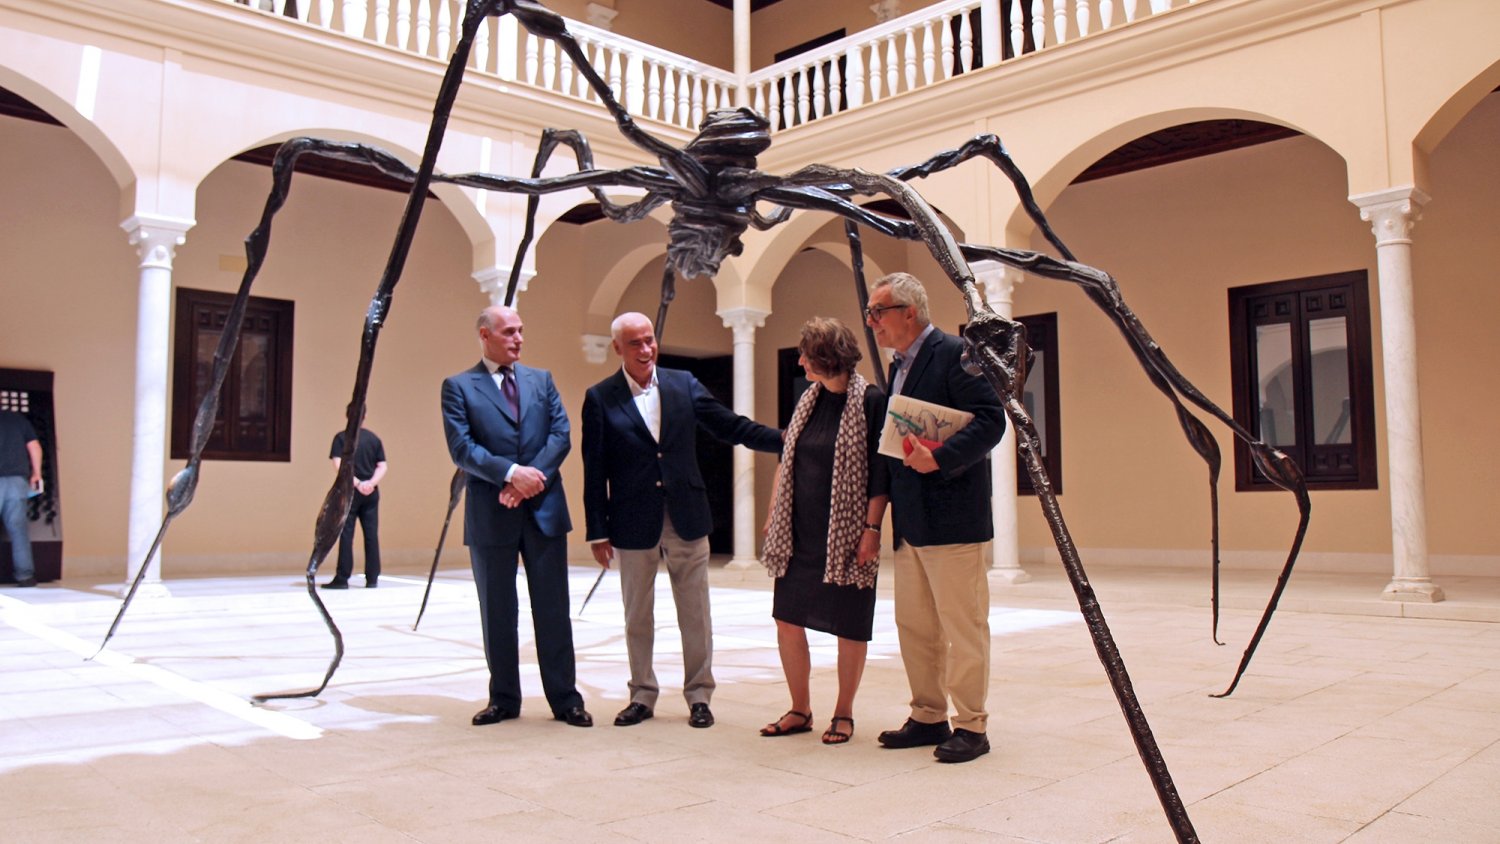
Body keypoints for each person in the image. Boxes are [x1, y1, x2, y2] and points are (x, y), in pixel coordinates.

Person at [582, 311, 782, 729]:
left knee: (695, 612)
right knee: (637, 613)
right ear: (617, 347)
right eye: (634, 343)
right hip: (632, 521)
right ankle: (642, 694)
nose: (646, 349)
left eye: (649, 340)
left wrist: (785, 438)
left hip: (687, 515)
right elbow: (593, 467)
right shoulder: (601, 397)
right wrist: (597, 531)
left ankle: (699, 696)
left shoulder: (683, 384)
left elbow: (730, 426)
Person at [866, 272, 1006, 763]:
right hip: (912, 521)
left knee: (962, 626)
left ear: (909, 311)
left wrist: (941, 455)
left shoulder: (956, 354)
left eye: (878, 311)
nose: (872, 322)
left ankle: (972, 725)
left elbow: (992, 421)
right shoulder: (897, 367)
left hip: (953, 517)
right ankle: (928, 715)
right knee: (917, 626)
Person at [440, 305, 592, 728]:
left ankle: (566, 700)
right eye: (509, 332)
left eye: (521, 330)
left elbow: (560, 435)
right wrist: (509, 474)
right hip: (492, 513)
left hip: (543, 509)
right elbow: (462, 447)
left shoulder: (541, 380)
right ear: (485, 336)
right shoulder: (458, 386)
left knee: (553, 609)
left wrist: (530, 479)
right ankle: (504, 698)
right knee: (498, 611)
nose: (518, 338)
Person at [759, 317, 888, 745]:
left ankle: (843, 712)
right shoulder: (808, 400)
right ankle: (800, 708)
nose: (800, 362)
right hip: (798, 533)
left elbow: (880, 476)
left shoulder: (871, 401)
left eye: (806, 356)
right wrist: (774, 510)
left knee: (850, 625)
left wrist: (872, 528)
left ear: (827, 359)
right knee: (787, 621)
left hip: (848, 535)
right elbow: (788, 460)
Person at [323, 423, 386, 589]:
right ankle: (372, 579)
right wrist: (370, 483)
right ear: (364, 416)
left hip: (349, 492)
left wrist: (357, 483)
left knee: (346, 535)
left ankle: (342, 578)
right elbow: (382, 465)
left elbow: (339, 465)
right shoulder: (373, 439)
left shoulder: (342, 438)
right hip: (371, 493)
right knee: (371, 536)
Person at [0, 409, 42, 588]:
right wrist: (37, 473)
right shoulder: (17, 420)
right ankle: (25, 576)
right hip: (17, 481)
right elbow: (34, 446)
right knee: (18, 530)